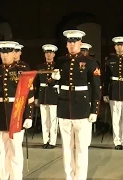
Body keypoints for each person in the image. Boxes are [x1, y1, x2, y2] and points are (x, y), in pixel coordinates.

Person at [52, 30, 101, 180]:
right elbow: (52, 83)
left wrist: (94, 110)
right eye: (69, 42)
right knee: (66, 148)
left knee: (81, 147)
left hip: (82, 108)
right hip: (64, 108)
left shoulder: (90, 63)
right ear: (66, 44)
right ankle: (69, 176)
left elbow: (96, 87)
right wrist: (54, 79)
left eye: (75, 42)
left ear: (80, 43)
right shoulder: (60, 61)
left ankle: (80, 177)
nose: (72, 44)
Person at [0, 41, 34, 180]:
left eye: (8, 52)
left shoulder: (22, 72)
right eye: (3, 52)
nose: (5, 55)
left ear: (14, 53)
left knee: (15, 151)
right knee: (2, 152)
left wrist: (29, 115)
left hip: (16, 114)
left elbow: (29, 94)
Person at [34, 44, 59, 149]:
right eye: (47, 53)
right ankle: (45, 140)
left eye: (50, 53)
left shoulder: (57, 66)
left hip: (53, 94)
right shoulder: (40, 67)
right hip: (42, 94)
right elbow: (36, 82)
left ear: (54, 54)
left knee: (53, 120)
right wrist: (35, 97)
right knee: (44, 120)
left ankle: (52, 141)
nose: (48, 55)